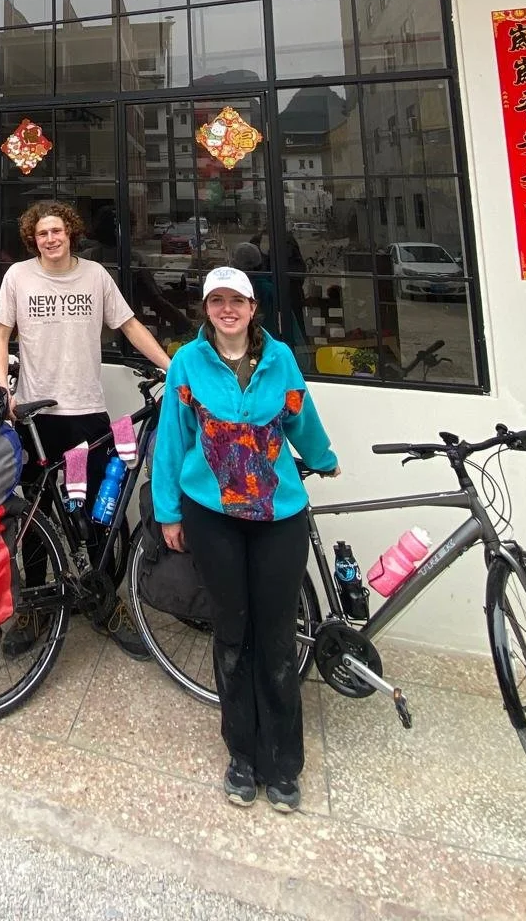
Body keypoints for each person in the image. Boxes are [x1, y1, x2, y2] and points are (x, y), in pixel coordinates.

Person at [152, 265, 339, 814]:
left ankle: (284, 763)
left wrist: (324, 459)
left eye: (237, 301)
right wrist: (168, 512)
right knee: (232, 634)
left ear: (253, 308)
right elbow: (172, 441)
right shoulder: (187, 362)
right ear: (206, 310)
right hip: (212, 514)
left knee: (278, 636)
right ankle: (242, 755)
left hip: (278, 515)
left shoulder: (279, 359)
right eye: (217, 302)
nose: (227, 310)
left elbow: (302, 416)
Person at [0, 200, 171, 659]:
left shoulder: (95, 277)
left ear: (71, 233)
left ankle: (106, 602)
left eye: (58, 231)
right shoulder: (19, 278)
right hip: (35, 415)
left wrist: (172, 368)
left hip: (86, 410)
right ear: (34, 238)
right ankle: (33, 604)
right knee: (33, 513)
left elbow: (129, 325)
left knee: (95, 511)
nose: (51, 239)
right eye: (42, 233)